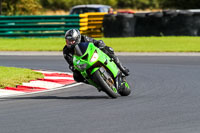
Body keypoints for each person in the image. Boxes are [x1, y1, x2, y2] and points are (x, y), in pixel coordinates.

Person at [63, 29, 129, 83]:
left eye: (71, 40)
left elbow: (95, 42)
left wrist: (100, 44)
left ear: (77, 38)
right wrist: (73, 67)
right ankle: (95, 82)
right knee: (76, 77)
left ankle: (121, 68)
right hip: (82, 63)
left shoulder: (84, 38)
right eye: (68, 40)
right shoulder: (66, 51)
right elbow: (70, 62)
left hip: (92, 55)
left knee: (108, 49)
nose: (69, 42)